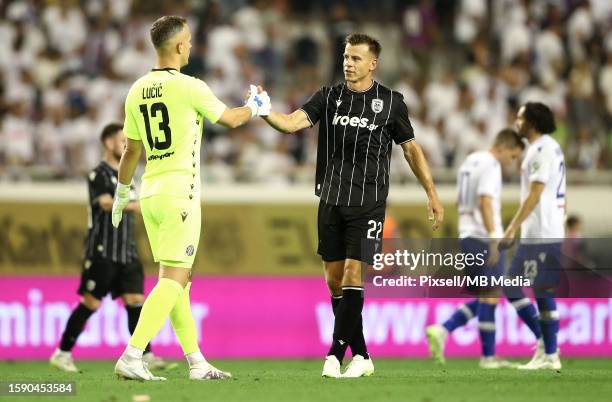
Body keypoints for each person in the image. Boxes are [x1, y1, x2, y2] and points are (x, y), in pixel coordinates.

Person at [260, 33, 444, 378]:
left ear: (373, 64)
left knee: (352, 274)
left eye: (356, 58)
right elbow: (292, 123)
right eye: (346, 56)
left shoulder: (391, 102)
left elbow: (411, 150)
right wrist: (264, 111)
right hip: (331, 198)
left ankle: (334, 353)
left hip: (369, 202)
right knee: (333, 280)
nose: (348, 62)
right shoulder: (328, 97)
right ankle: (362, 354)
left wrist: (431, 193)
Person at [111, 15, 270, 381]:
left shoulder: (136, 89)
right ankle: (133, 355)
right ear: (180, 47)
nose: (192, 45)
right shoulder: (190, 86)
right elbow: (230, 119)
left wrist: (122, 192)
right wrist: (256, 107)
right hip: (180, 193)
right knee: (173, 279)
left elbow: (131, 152)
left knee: (178, 279)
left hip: (149, 192)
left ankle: (196, 362)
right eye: (190, 41)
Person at [50, 123, 171, 373]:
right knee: (91, 303)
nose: (126, 145)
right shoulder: (100, 174)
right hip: (103, 250)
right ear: (108, 143)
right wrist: (139, 206)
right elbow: (105, 203)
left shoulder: (129, 175)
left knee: (135, 302)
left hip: (127, 250)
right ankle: (62, 353)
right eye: (121, 141)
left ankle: (145, 355)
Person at [425, 129, 524, 369]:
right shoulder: (490, 165)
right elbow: (485, 201)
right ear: (503, 147)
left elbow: (462, 199)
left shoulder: (470, 160)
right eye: (512, 156)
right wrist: (493, 238)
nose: (511, 162)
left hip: (467, 234)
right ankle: (487, 356)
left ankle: (443, 330)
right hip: (482, 236)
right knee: (490, 296)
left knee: (488, 294)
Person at [500, 102, 565, 370]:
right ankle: (546, 346)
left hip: (541, 231)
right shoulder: (548, 148)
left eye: (521, 118)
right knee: (518, 286)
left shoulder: (541, 150)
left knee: (533, 288)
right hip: (542, 230)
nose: (517, 122)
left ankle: (550, 353)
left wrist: (512, 227)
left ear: (533, 123)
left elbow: (535, 193)